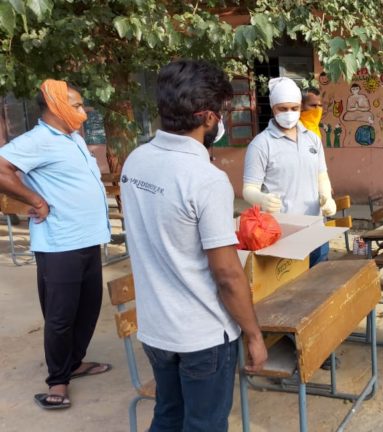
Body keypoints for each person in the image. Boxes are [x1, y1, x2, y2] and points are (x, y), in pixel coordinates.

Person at [120, 60, 268, 430]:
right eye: (219, 114)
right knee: (204, 424)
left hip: (156, 330)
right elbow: (228, 275)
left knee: (168, 415)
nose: (219, 121)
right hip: (202, 335)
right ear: (206, 117)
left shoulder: (135, 162)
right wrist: (254, 335)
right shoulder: (206, 180)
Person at [0, 79, 112, 410]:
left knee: (88, 308)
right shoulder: (38, 140)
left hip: (88, 239)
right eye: (76, 106)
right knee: (61, 316)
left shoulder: (71, 138)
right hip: (59, 244)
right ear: (55, 107)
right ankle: (58, 381)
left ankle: (75, 362)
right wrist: (35, 200)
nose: (82, 111)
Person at [243, 77, 335, 267]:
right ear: (273, 108)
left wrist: (327, 197)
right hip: (282, 234)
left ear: (301, 107)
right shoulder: (261, 144)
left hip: (316, 228)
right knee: (291, 292)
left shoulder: (312, 139)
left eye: (294, 108)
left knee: (320, 287)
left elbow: (321, 175)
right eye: (282, 109)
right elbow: (248, 189)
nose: (289, 113)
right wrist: (261, 199)